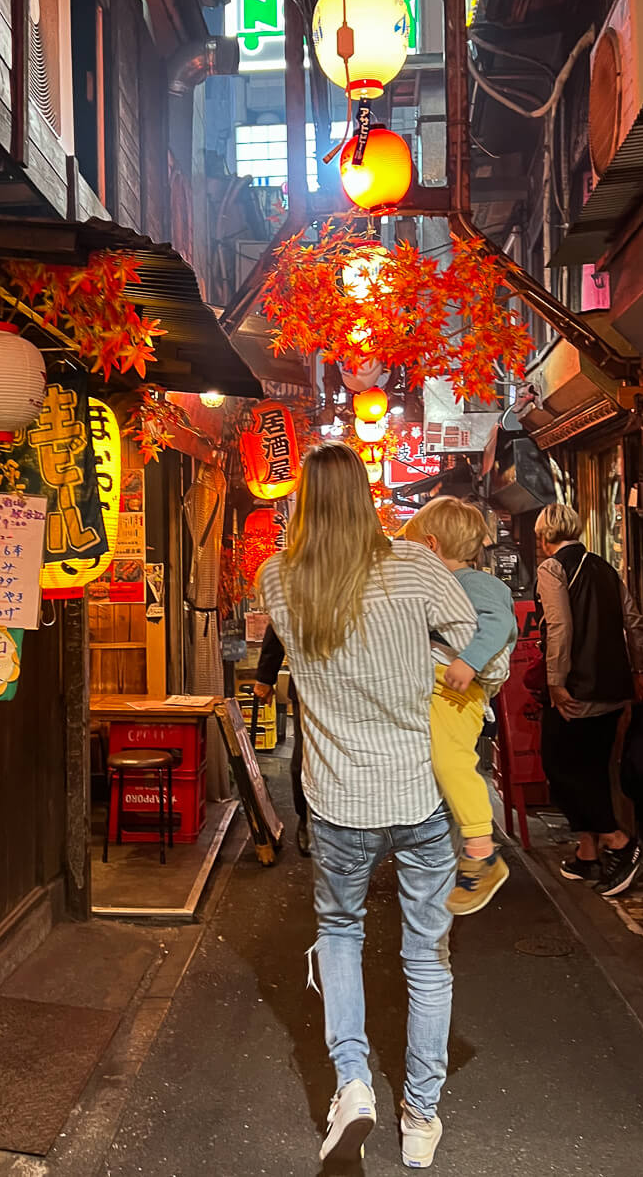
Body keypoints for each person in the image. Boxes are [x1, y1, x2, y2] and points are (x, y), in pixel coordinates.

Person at [259, 443, 477, 1170]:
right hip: (420, 789)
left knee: (342, 934)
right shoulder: (415, 566)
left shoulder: (277, 579)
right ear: (367, 497)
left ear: (302, 501)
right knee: (428, 951)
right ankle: (421, 1113)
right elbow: (477, 642)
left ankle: (351, 1081)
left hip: (339, 797)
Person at [402, 497, 518, 915]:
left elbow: (499, 624)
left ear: (430, 546)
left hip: (456, 691)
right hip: (440, 689)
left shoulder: (476, 583)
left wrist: (468, 661)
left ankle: (481, 849)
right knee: (441, 761)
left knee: (451, 762)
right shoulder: (442, 586)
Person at [534, 503, 643, 898]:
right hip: (612, 689)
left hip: (577, 690)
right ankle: (588, 854)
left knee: (560, 766)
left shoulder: (553, 569)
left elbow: (560, 627)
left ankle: (620, 841)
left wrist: (556, 681)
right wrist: (638, 671)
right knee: (592, 769)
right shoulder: (603, 566)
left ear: (544, 536)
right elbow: (632, 619)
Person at [251, 623, 311, 856]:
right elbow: (278, 623)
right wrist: (265, 677)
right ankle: (306, 818)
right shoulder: (299, 589)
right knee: (303, 758)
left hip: (358, 687)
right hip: (309, 686)